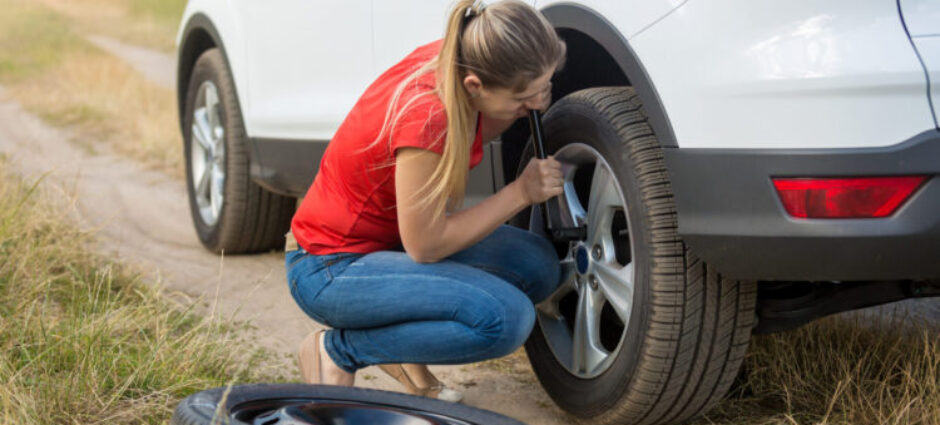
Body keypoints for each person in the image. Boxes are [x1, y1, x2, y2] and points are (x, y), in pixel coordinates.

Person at [285, 0, 566, 402]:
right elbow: (426, 245)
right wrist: (520, 192)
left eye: (546, 88)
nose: (538, 105)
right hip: (328, 266)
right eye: (525, 98)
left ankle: (403, 347)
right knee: (505, 318)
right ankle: (338, 351)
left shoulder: (464, 55)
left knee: (537, 266)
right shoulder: (429, 117)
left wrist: (526, 95)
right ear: (475, 87)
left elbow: (490, 116)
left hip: (388, 242)